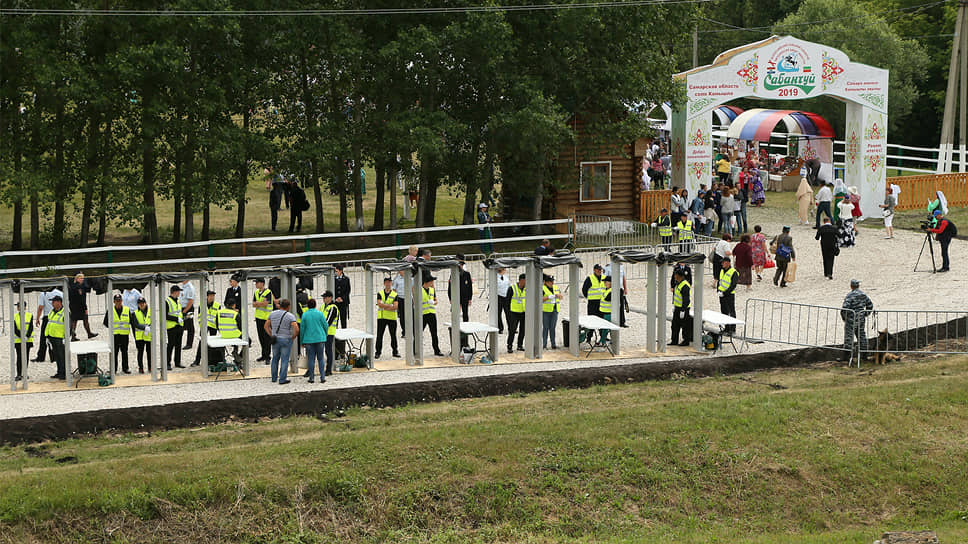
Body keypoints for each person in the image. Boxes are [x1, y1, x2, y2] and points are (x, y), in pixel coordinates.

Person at [265, 299, 299, 384]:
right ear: (288, 307)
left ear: (280, 305)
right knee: (284, 359)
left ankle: (273, 378)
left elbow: (266, 326)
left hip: (275, 339)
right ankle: (282, 379)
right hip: (286, 339)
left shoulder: (272, 314)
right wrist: (293, 337)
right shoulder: (290, 316)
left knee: (275, 358)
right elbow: (296, 329)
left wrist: (271, 334)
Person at [841, 279, 874, 362]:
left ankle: (847, 356)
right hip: (861, 318)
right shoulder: (863, 294)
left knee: (849, 337)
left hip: (851, 319)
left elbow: (845, 308)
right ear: (858, 286)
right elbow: (870, 305)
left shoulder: (850, 295)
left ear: (851, 286)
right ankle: (864, 355)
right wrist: (865, 314)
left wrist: (844, 317)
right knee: (862, 336)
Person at [300, 299, 328, 383]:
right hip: (320, 338)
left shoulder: (305, 315)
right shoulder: (320, 314)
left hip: (308, 340)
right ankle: (322, 377)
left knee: (311, 359)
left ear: (307, 306)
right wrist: (324, 334)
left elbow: (302, 329)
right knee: (321, 358)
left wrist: (302, 341)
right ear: (315, 305)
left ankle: (311, 378)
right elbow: (325, 325)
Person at [33, 286, 63, 363]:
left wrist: (37, 318)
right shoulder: (60, 293)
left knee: (43, 338)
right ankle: (54, 357)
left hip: (47, 316)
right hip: (57, 315)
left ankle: (41, 356)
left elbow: (40, 307)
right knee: (54, 337)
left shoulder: (44, 293)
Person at [103, 293, 132, 374]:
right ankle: (114, 369)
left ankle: (125, 368)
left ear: (122, 301)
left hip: (124, 335)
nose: (118, 302)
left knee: (124, 352)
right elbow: (105, 322)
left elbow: (131, 321)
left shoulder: (127, 309)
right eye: (116, 301)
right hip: (114, 335)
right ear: (114, 302)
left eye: (119, 301)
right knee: (114, 352)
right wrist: (112, 328)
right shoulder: (110, 310)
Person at [192, 290, 221, 366]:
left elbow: (219, 317)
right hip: (204, 326)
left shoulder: (217, 305)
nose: (212, 297)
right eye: (211, 296)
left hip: (213, 326)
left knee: (213, 343)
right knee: (202, 342)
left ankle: (211, 360)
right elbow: (199, 316)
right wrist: (202, 325)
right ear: (207, 297)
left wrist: (219, 327)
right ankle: (197, 360)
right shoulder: (202, 305)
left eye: (213, 296)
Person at [375, 277, 400, 358]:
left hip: (392, 318)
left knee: (393, 335)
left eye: (389, 282)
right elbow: (379, 304)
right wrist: (390, 306)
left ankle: (395, 351)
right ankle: (378, 352)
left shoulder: (395, 294)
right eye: (386, 282)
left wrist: (385, 306)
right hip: (381, 318)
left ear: (391, 284)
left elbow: (395, 306)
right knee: (379, 335)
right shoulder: (380, 293)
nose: (388, 284)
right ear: (384, 283)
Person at [68, 273, 97, 341]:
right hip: (80, 307)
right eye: (81, 278)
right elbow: (82, 299)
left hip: (73, 306)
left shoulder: (72, 286)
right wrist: (85, 308)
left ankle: (73, 336)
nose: (82, 280)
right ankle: (89, 333)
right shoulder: (80, 287)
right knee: (85, 320)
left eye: (83, 278)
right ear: (77, 279)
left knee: (74, 321)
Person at [252, 277, 275, 363]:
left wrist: (258, 303)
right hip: (258, 317)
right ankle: (263, 355)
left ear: (262, 283)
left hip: (267, 318)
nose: (256, 284)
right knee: (261, 337)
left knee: (267, 337)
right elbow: (253, 304)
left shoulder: (268, 292)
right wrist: (260, 303)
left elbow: (266, 304)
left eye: (257, 282)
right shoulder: (256, 292)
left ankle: (268, 356)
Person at [420, 275, 444, 356]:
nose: (433, 283)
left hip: (432, 314)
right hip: (423, 314)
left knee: (434, 333)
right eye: (432, 281)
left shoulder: (432, 290)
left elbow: (436, 300)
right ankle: (415, 350)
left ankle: (437, 350)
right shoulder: (419, 290)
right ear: (428, 282)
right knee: (419, 333)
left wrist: (434, 302)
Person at [217, 298, 243, 366]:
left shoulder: (219, 312)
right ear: (234, 305)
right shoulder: (235, 314)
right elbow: (241, 327)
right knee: (248, 341)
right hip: (235, 334)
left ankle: (223, 357)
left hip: (223, 334)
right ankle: (239, 357)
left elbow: (217, 325)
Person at [46, 295, 67, 380]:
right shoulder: (52, 311)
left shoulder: (65, 312)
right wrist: (47, 336)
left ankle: (64, 373)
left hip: (60, 338)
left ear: (59, 302)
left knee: (62, 356)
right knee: (57, 356)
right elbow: (49, 323)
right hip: (52, 337)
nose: (52, 303)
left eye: (53, 301)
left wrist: (66, 338)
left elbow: (68, 326)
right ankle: (59, 372)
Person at [670, 269, 692, 346]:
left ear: (680, 276)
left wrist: (683, 310)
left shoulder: (685, 286)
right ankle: (674, 340)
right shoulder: (677, 283)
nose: (675, 276)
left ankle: (686, 341)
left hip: (683, 309)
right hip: (677, 308)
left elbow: (686, 299)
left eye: (676, 275)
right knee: (675, 325)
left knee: (685, 326)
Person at [165, 284, 185, 370]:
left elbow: (178, 312)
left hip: (179, 326)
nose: (179, 293)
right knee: (170, 345)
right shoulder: (167, 301)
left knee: (178, 345)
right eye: (179, 292)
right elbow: (165, 315)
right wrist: (176, 319)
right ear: (175, 292)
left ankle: (177, 362)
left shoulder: (177, 301)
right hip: (171, 327)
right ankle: (167, 363)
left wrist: (184, 316)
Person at [334, 264, 351, 358]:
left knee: (343, 321)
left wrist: (342, 298)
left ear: (340, 271)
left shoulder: (346, 279)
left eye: (336, 271)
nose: (335, 273)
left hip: (343, 302)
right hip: (336, 302)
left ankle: (344, 339)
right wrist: (336, 298)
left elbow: (348, 290)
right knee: (335, 321)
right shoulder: (333, 279)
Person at [13, 302, 33, 381]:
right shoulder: (14, 317)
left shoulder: (29, 316)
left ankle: (24, 373)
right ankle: (18, 374)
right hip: (18, 340)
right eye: (18, 307)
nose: (19, 308)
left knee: (26, 357)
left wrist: (27, 336)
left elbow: (31, 327)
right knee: (19, 357)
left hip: (27, 340)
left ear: (25, 307)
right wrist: (22, 336)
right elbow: (15, 329)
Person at [717, 257, 738, 333]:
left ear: (728, 263)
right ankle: (726, 328)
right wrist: (718, 290)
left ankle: (732, 329)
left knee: (731, 312)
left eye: (723, 262)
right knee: (724, 311)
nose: (722, 264)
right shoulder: (722, 271)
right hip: (721, 294)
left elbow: (733, 285)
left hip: (729, 295)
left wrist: (725, 293)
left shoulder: (733, 272)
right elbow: (720, 281)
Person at [541, 274, 562, 350]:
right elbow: (540, 299)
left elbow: (561, 296)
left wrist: (559, 296)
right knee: (546, 327)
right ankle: (544, 344)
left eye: (552, 281)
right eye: (550, 281)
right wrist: (549, 297)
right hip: (546, 311)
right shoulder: (542, 288)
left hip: (555, 310)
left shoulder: (555, 287)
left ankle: (553, 344)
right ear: (545, 282)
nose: (552, 283)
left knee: (552, 327)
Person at [448, 257, 473, 322]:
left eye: (461, 265)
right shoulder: (453, 275)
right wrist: (450, 298)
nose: (460, 267)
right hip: (456, 296)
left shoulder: (467, 274)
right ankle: (455, 326)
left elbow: (470, 287)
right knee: (455, 313)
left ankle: (466, 327)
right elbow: (450, 287)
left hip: (465, 297)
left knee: (465, 313)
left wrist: (470, 298)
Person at [507, 273, 526, 353]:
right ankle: (510, 345)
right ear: (521, 280)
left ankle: (520, 345)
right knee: (512, 329)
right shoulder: (512, 288)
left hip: (524, 312)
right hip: (514, 312)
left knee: (523, 330)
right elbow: (507, 301)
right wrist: (509, 312)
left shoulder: (527, 288)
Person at [132, 297, 152, 373]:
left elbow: (152, 321)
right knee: (140, 352)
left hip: (148, 335)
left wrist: (149, 327)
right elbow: (135, 324)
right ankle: (141, 368)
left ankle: (150, 367)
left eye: (143, 303)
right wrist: (145, 327)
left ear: (145, 303)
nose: (142, 305)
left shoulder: (150, 312)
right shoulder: (135, 313)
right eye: (140, 303)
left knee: (149, 352)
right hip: (139, 336)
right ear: (138, 305)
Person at [322, 291, 339, 375]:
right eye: (323, 297)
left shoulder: (333, 307)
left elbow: (328, 321)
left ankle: (329, 369)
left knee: (328, 351)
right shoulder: (323, 306)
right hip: (322, 332)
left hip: (329, 332)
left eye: (325, 297)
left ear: (330, 297)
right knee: (323, 351)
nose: (323, 299)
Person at [178, 278, 196, 350]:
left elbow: (190, 301)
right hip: (182, 308)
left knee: (190, 326)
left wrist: (184, 311)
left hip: (188, 308)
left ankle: (189, 343)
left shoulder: (190, 287)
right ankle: (179, 342)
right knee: (181, 325)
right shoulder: (183, 286)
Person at [391, 270, 407, 338]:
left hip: (409, 298)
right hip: (400, 298)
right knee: (402, 316)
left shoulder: (410, 277)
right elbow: (394, 290)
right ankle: (404, 332)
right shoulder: (396, 279)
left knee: (412, 315)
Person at [496, 267, 511, 334]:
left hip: (506, 297)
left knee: (508, 313)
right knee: (498, 313)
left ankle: (511, 327)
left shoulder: (505, 277)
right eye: (504, 269)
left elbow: (508, 285)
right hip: (498, 296)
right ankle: (500, 328)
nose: (505, 271)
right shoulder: (495, 277)